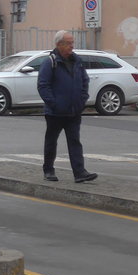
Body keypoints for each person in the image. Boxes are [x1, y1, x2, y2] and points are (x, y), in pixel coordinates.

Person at [36, 31, 99, 184]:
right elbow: (43, 86)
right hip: (55, 112)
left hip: (73, 111)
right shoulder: (50, 62)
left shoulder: (77, 61)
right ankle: (49, 170)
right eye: (69, 43)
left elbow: (85, 82)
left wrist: (81, 101)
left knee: (75, 141)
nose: (72, 46)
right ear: (59, 45)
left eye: (72, 42)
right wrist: (54, 104)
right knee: (51, 141)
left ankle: (80, 172)